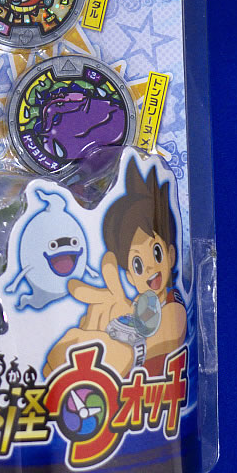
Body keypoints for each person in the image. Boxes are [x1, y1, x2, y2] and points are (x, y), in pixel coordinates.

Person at [44, 157, 186, 378]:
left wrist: (111, 341)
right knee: (75, 338)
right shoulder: (130, 310)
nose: (150, 268)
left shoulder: (173, 308)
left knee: (109, 349)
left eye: (156, 252)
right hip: (110, 389)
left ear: (170, 254)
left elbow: (158, 339)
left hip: (148, 391)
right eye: (138, 264)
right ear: (130, 277)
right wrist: (98, 329)